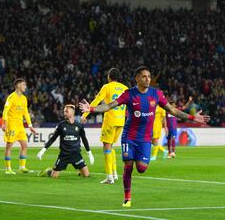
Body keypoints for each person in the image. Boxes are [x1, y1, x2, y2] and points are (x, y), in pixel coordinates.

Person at [79, 66, 210, 207]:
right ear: (137, 78)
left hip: (145, 139)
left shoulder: (157, 94)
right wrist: (91, 109)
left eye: (149, 76)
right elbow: (109, 106)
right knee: (128, 165)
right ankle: (127, 198)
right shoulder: (129, 94)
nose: (148, 79)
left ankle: (135, 158)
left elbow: (172, 110)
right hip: (129, 136)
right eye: (144, 76)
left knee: (141, 168)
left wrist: (192, 117)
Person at [81, 68, 128, 184]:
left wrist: (85, 114)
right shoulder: (125, 88)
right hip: (121, 121)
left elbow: (97, 100)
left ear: (109, 76)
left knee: (106, 148)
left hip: (110, 120)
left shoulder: (107, 87)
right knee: (111, 147)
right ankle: (115, 174)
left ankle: (109, 177)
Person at [37, 104, 95, 178]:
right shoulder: (61, 125)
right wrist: (43, 150)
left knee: (86, 175)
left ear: (72, 112)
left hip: (76, 155)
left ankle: (81, 170)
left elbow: (84, 140)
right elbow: (53, 138)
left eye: (66, 111)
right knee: (53, 176)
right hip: (64, 155)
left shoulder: (79, 126)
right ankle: (48, 171)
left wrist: (89, 154)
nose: (64, 113)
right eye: (64, 111)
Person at [2, 78, 37, 174]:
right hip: (11, 124)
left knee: (24, 145)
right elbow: (5, 111)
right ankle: (8, 169)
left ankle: (22, 167)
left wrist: (30, 125)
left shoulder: (24, 98)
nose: (25, 87)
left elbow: (26, 112)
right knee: (9, 146)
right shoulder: (11, 97)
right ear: (18, 85)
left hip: (20, 125)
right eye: (23, 85)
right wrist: (4, 123)